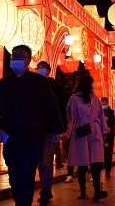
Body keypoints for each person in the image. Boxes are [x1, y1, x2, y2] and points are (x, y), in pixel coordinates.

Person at [0, 45, 64, 206]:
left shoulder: (40, 82)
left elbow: (51, 106)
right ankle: (20, 202)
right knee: (14, 175)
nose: (16, 59)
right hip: (10, 137)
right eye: (14, 56)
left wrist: (58, 129)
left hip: (32, 137)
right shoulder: (3, 83)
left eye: (21, 56)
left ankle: (24, 204)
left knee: (26, 174)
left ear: (29, 59)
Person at [66, 75, 110, 201]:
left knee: (96, 162)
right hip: (81, 130)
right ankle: (83, 191)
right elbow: (70, 117)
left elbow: (101, 115)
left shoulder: (94, 97)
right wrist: (68, 133)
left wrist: (104, 130)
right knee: (82, 162)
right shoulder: (74, 99)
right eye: (92, 83)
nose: (93, 85)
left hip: (95, 131)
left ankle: (97, 190)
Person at [35, 61, 69, 205]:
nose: (41, 70)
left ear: (49, 71)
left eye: (44, 68)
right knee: (40, 164)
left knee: (47, 161)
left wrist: (61, 129)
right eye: (39, 68)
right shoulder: (31, 86)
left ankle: (45, 191)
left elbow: (62, 110)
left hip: (50, 131)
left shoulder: (56, 88)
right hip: (35, 131)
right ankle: (45, 188)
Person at [100, 96, 115, 178]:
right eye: (102, 102)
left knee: (108, 154)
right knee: (100, 153)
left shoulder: (112, 112)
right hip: (100, 135)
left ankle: (108, 171)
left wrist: (108, 119)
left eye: (105, 102)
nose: (103, 104)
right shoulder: (98, 112)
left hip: (109, 135)